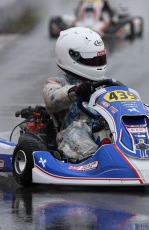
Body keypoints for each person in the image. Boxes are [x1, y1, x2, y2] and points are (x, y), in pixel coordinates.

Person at [42, 27, 107, 161]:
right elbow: (51, 99)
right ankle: (95, 161)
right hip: (73, 132)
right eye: (91, 59)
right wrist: (74, 91)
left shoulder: (105, 83)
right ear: (72, 56)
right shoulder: (58, 83)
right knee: (79, 131)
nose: (96, 63)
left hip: (105, 126)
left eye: (99, 58)